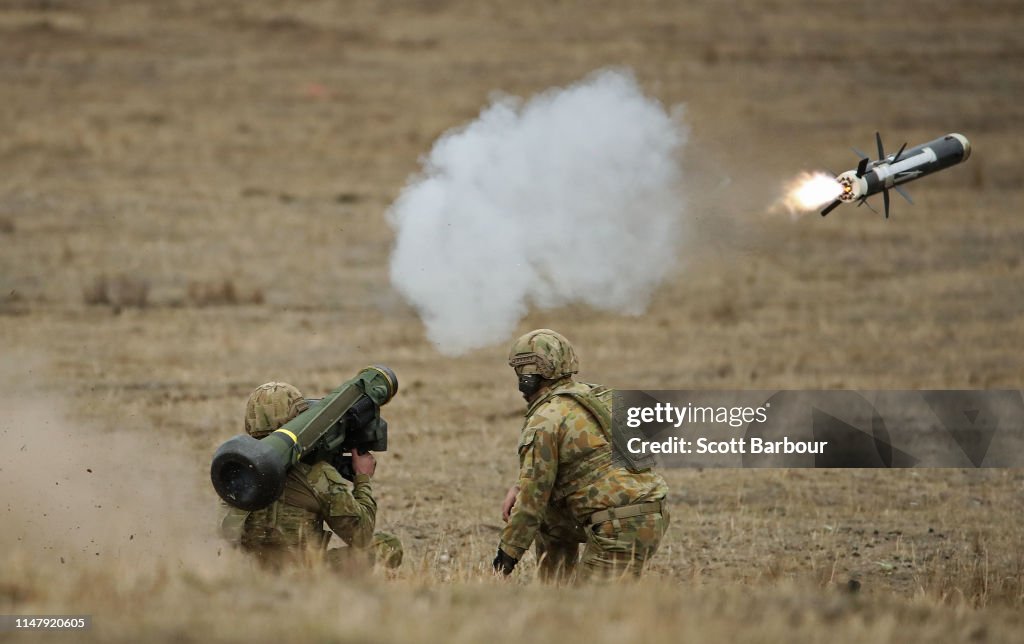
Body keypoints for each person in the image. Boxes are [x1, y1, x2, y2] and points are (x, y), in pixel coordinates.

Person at [493, 329, 669, 582]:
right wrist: (519, 486)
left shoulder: (545, 418)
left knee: (592, 614)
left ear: (530, 374)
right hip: (649, 511)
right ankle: (554, 593)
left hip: (621, 526)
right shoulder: (597, 396)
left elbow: (532, 500)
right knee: (549, 522)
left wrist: (506, 555)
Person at [220, 382, 402, 570]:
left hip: (251, 572)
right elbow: (360, 535)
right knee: (387, 545)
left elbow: (225, 533)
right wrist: (362, 479)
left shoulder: (235, 469)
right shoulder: (317, 475)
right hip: (304, 574)